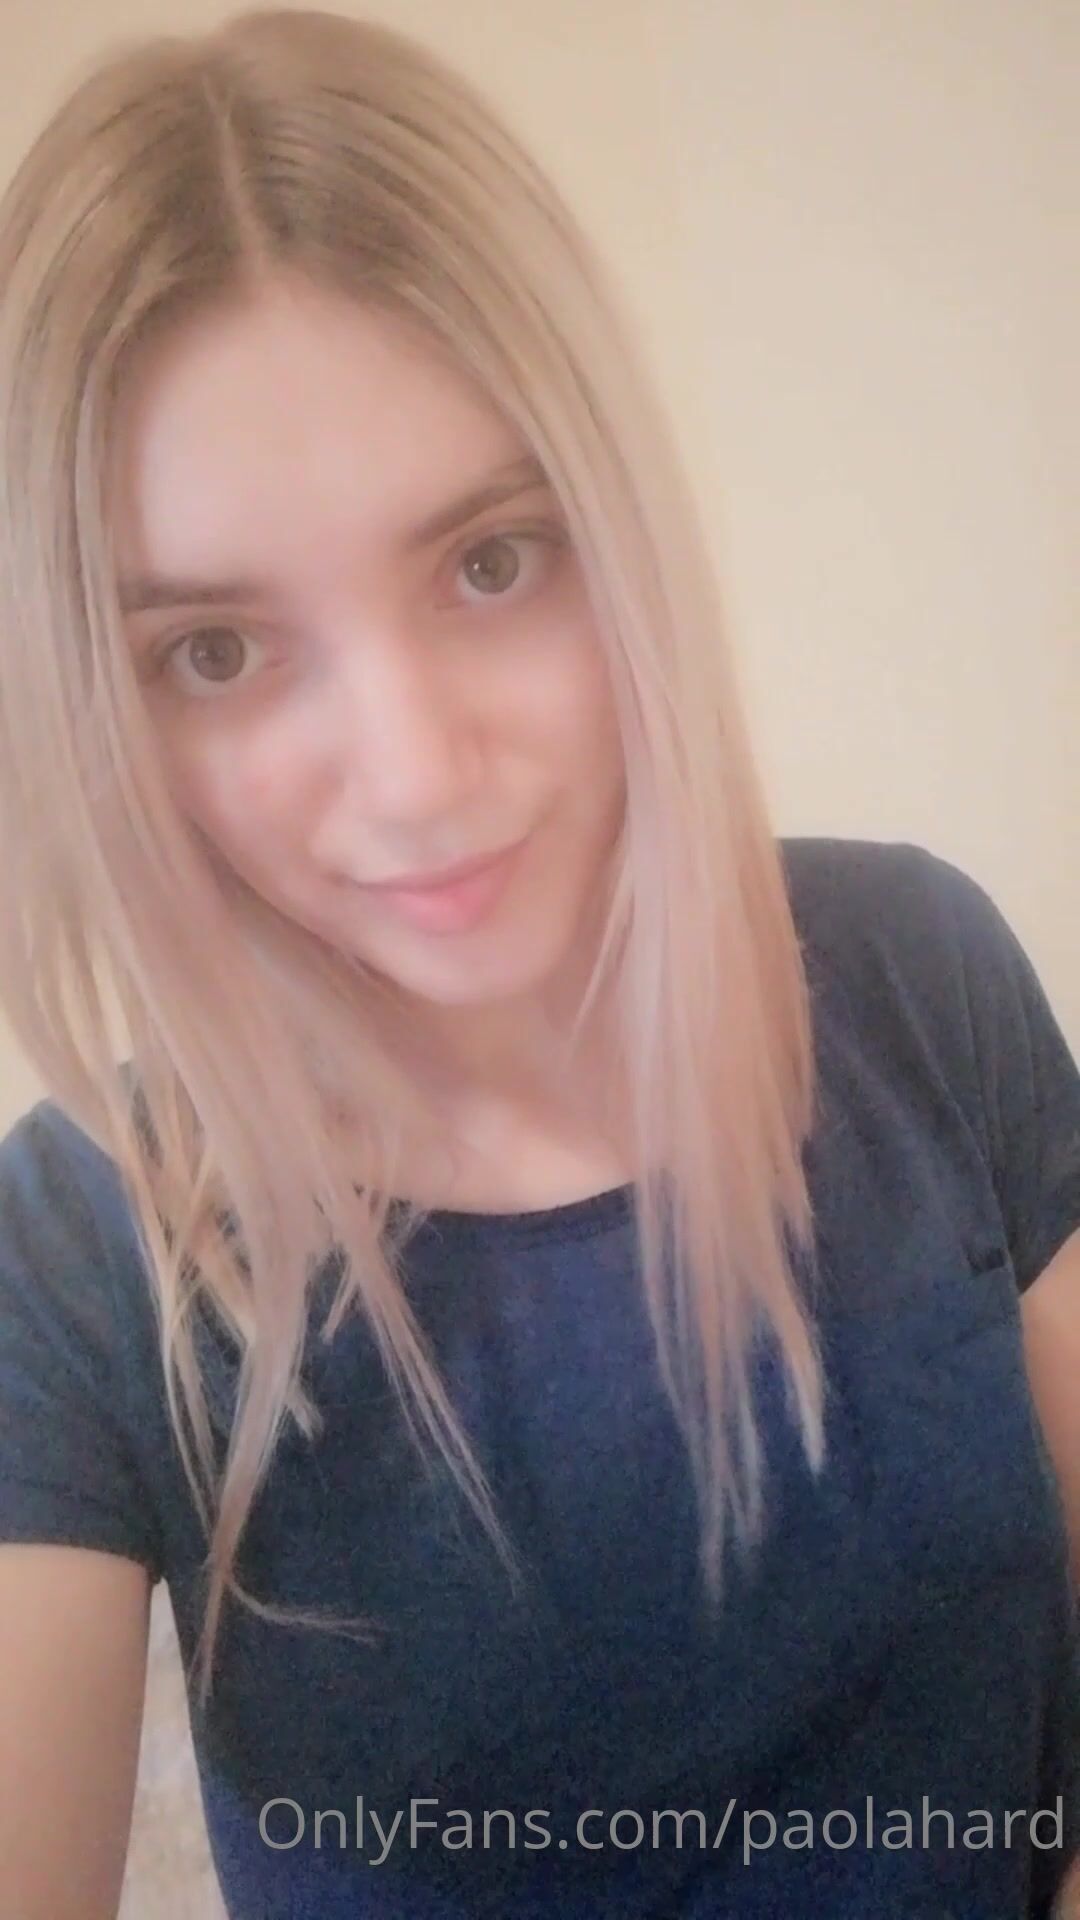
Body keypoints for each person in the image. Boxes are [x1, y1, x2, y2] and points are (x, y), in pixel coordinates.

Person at [0, 9, 1076, 1918]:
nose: (417, 777)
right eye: (216, 653)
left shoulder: (919, 973)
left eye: (491, 561)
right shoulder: (88, 1250)